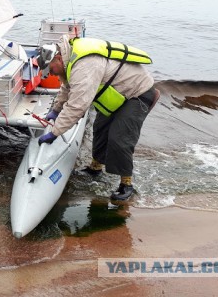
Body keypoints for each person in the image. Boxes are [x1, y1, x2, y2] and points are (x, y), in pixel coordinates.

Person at [36, 35, 160, 201]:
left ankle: (126, 184)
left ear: (57, 58)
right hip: (118, 94)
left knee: (119, 137)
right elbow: (67, 87)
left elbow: (77, 105)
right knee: (100, 128)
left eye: (51, 70)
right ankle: (95, 168)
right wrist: (56, 110)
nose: (51, 74)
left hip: (137, 93)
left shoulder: (84, 66)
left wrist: (55, 132)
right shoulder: (69, 61)